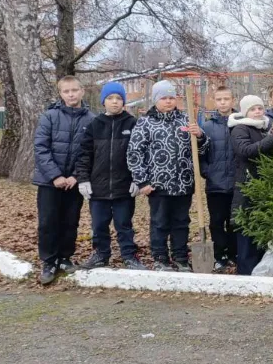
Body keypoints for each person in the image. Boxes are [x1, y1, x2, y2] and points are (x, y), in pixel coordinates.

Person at [127, 80, 209, 272]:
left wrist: (200, 136)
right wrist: (142, 181)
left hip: (183, 182)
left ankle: (180, 257)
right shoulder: (146, 122)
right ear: (156, 100)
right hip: (158, 185)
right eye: (164, 98)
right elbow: (134, 153)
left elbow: (202, 150)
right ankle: (160, 258)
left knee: (181, 222)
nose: (168, 101)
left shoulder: (185, 120)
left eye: (171, 97)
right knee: (160, 222)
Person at [75, 82, 145, 271]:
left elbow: (140, 154)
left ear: (123, 102)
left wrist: (137, 179)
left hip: (124, 188)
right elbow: (84, 155)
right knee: (99, 225)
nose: (114, 102)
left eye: (118, 99)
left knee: (124, 224)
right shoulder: (94, 125)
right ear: (103, 101)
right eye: (110, 98)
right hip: (98, 188)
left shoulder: (132, 124)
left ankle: (129, 256)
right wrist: (83, 179)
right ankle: (100, 254)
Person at [33, 75, 95, 285]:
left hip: (74, 182)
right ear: (60, 94)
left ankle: (65, 257)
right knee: (48, 222)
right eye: (66, 91)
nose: (71, 94)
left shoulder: (91, 120)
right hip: (49, 182)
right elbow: (41, 148)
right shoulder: (49, 117)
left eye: (74, 90)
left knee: (70, 222)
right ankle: (49, 262)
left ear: (82, 91)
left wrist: (75, 177)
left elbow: (89, 152)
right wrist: (56, 176)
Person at [228, 95, 273, 275]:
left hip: (264, 186)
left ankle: (258, 269)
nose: (258, 111)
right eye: (253, 109)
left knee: (259, 227)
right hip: (247, 185)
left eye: (260, 108)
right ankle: (245, 271)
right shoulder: (239, 129)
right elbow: (246, 151)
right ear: (245, 112)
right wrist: (272, 139)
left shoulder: (264, 128)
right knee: (246, 229)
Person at [199, 86, 238, 271]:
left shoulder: (241, 124)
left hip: (237, 183)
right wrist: (207, 171)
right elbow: (201, 153)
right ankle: (219, 254)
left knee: (234, 221)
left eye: (226, 99)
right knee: (216, 221)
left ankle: (233, 253)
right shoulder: (207, 126)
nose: (223, 102)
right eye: (219, 99)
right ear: (214, 101)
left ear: (233, 100)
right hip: (215, 184)